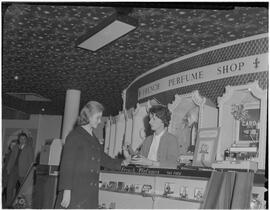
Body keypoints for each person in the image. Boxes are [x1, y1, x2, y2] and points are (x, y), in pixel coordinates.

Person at [55, 101, 130, 209]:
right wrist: (66, 190)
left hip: (89, 193)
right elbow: (67, 165)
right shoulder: (75, 135)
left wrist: (122, 162)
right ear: (88, 116)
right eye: (97, 118)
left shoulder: (93, 137)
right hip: (75, 191)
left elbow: (103, 158)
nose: (100, 122)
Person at [6, 132, 34, 206]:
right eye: (21, 138)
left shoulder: (29, 148)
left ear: (26, 140)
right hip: (14, 170)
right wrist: (8, 169)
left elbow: (31, 161)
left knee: (23, 190)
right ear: (19, 139)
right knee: (9, 188)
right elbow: (12, 158)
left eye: (24, 139)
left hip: (24, 172)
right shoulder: (15, 147)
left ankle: (22, 205)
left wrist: (29, 173)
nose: (22, 140)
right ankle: (8, 204)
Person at [2, 140, 18, 206]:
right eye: (11, 145)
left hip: (12, 175)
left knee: (10, 190)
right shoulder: (8, 154)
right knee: (4, 188)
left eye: (14, 145)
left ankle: (9, 205)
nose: (13, 146)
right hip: (5, 174)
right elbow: (4, 165)